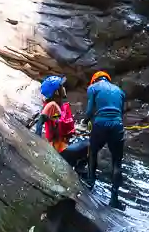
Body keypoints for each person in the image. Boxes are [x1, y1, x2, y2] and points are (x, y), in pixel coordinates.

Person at [84, 70, 126, 208]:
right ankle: (114, 198)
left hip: (100, 124)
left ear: (94, 80)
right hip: (117, 125)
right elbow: (120, 111)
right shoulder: (120, 91)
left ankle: (90, 182)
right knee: (117, 162)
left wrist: (85, 121)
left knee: (93, 152)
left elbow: (90, 111)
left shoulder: (93, 88)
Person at [33, 75, 89, 170]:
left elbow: (56, 119)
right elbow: (40, 122)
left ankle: (78, 170)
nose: (64, 88)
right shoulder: (51, 105)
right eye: (61, 87)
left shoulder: (59, 106)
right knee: (89, 145)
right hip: (59, 148)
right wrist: (37, 145)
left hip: (65, 143)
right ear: (56, 92)